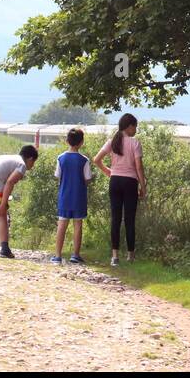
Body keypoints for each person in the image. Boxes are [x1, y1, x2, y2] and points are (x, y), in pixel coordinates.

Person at [93, 114, 145, 267]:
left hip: (115, 181)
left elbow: (96, 160)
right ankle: (130, 255)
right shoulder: (134, 143)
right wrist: (143, 186)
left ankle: (114, 256)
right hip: (130, 182)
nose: (136, 129)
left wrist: (108, 171)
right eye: (135, 126)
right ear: (129, 126)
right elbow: (139, 167)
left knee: (115, 219)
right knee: (129, 220)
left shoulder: (112, 141)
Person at [0, 145, 38, 258]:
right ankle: (5, 249)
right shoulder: (22, 165)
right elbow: (9, 182)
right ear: (30, 159)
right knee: (1, 215)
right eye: (33, 163)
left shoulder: (11, 158)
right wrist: (3, 204)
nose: (32, 166)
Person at [52, 128, 92, 264]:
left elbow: (58, 176)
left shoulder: (61, 158)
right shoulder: (84, 160)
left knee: (61, 225)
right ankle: (75, 254)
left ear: (67, 141)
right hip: (79, 197)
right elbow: (87, 179)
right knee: (78, 225)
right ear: (81, 142)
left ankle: (57, 255)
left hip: (64, 196)